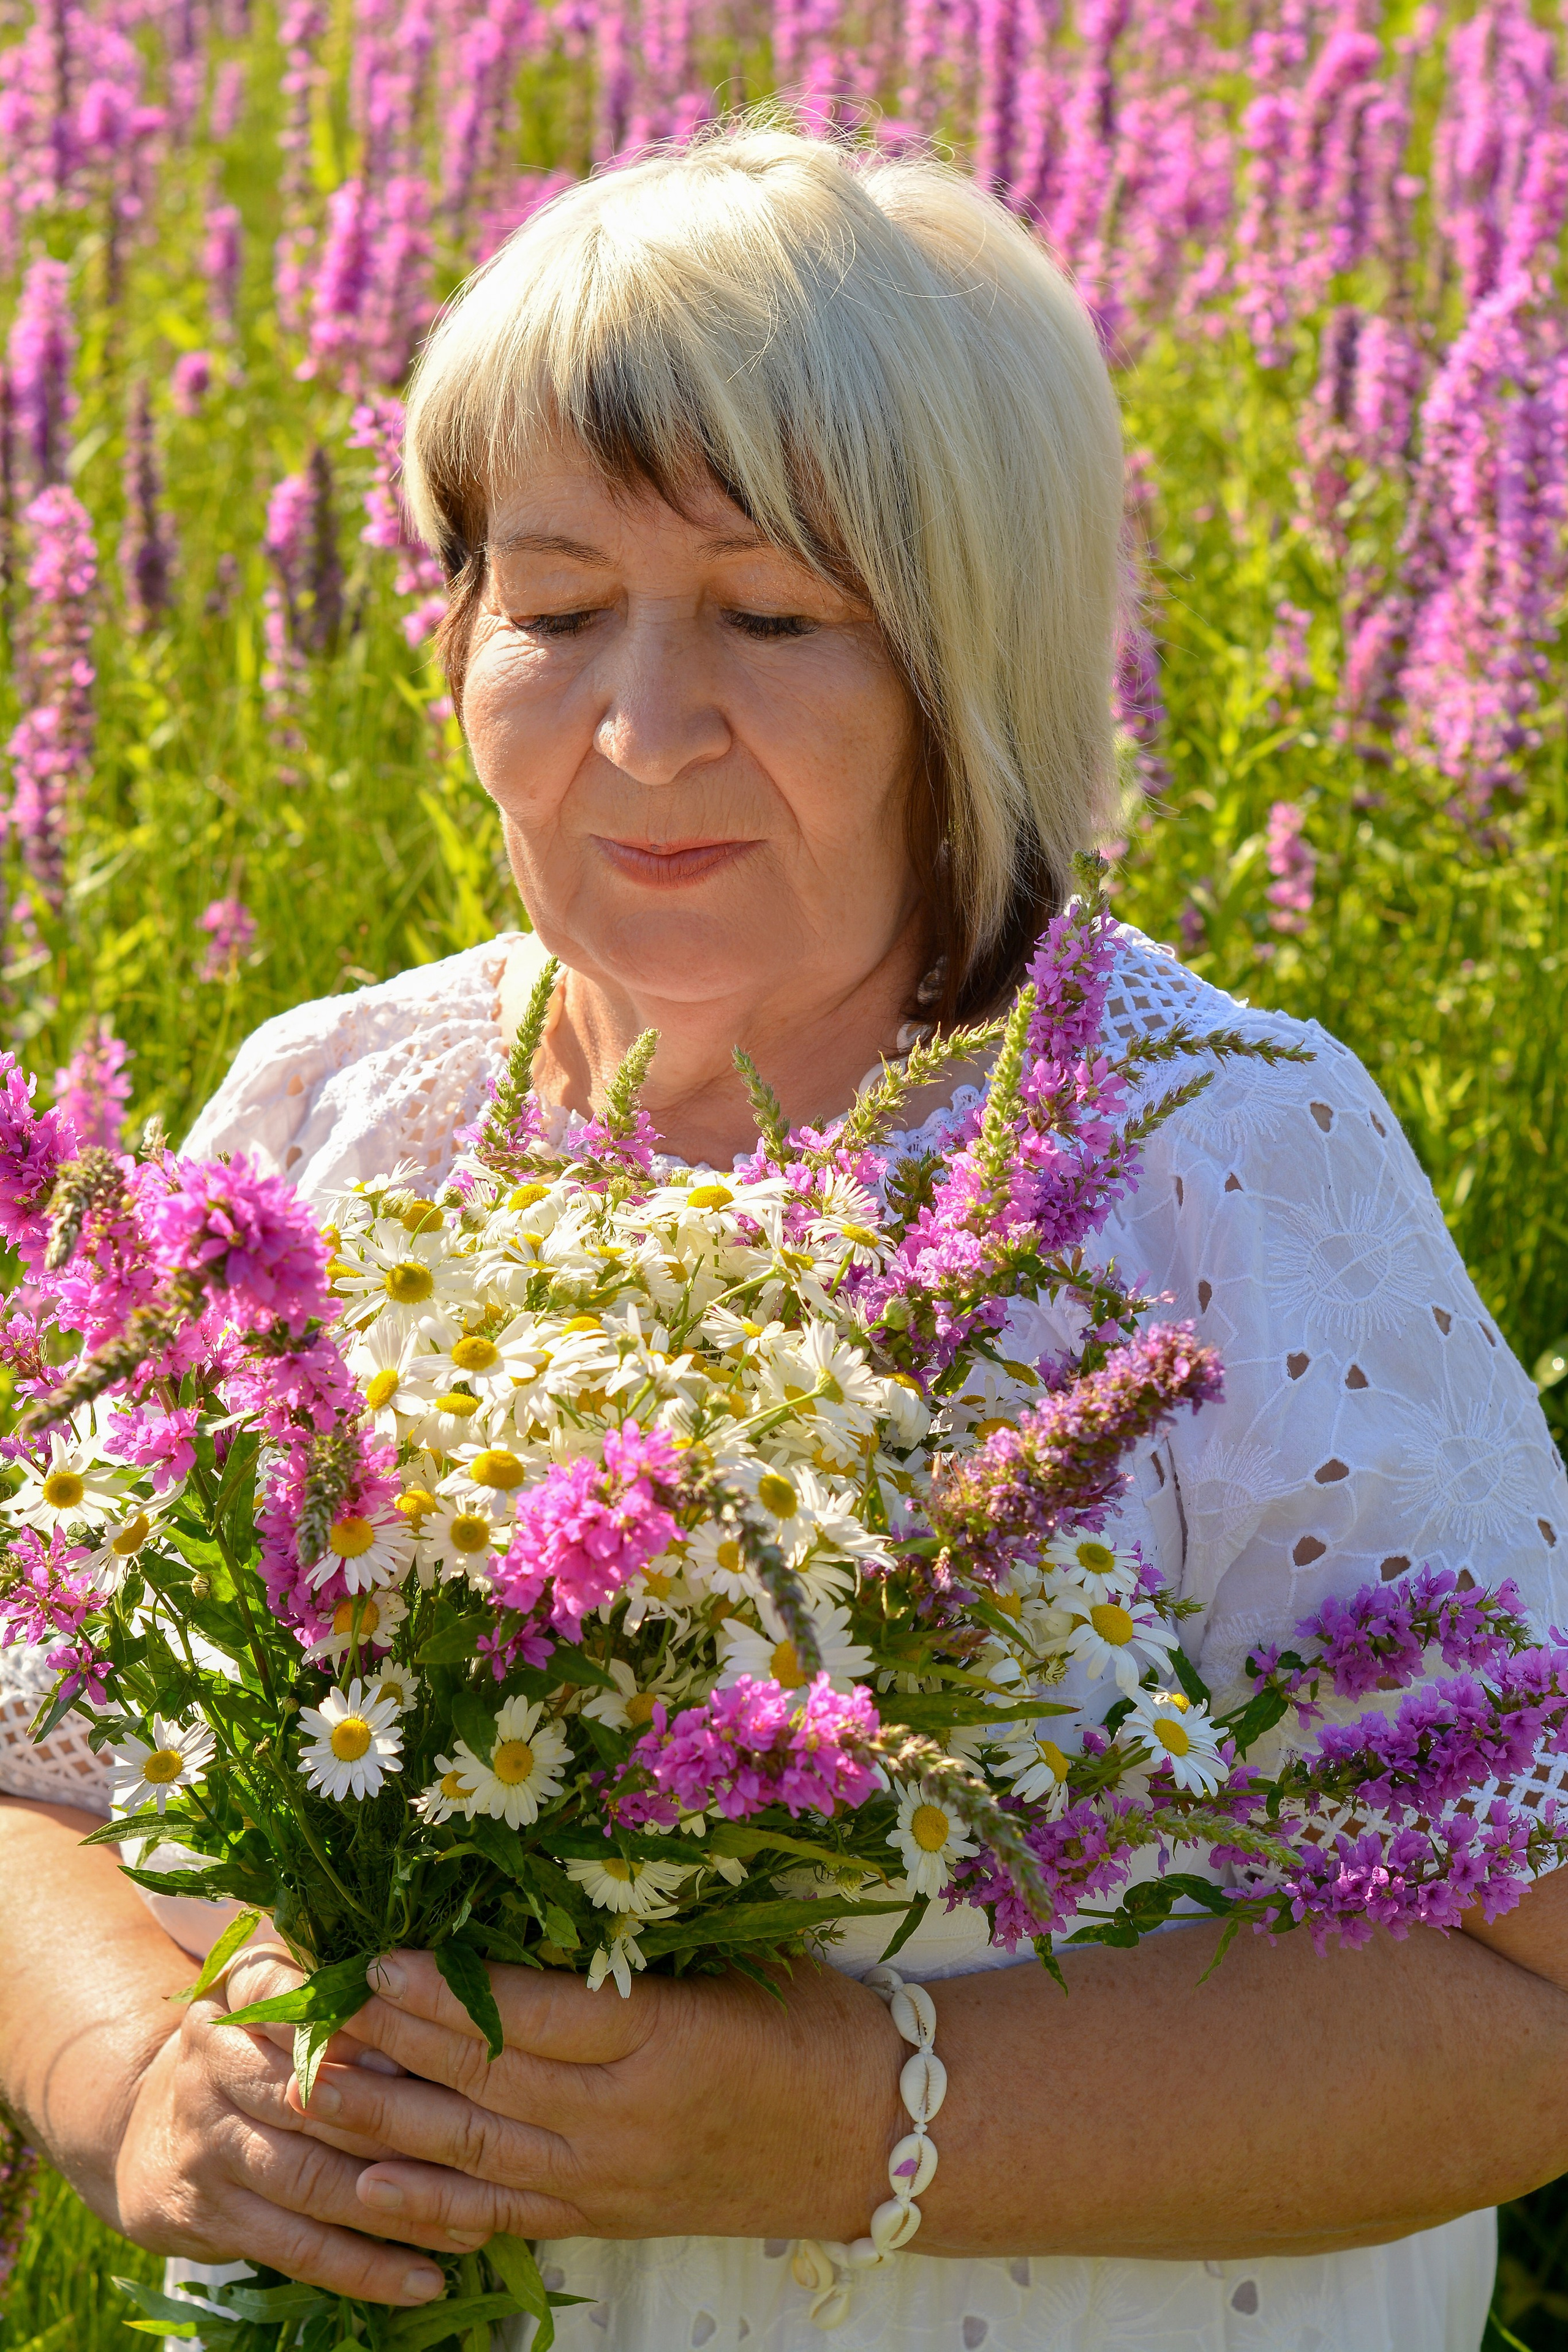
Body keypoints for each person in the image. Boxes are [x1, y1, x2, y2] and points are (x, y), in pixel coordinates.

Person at [4, 124, 1568, 2352]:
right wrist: (133, 2073)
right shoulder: (334, 1125)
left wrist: (850, 2113)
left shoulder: (1225, 1175)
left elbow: (1531, 1993)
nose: (643, 728)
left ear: (974, 658)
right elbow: (33, 1766)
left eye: (775, 616)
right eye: (551, 611)